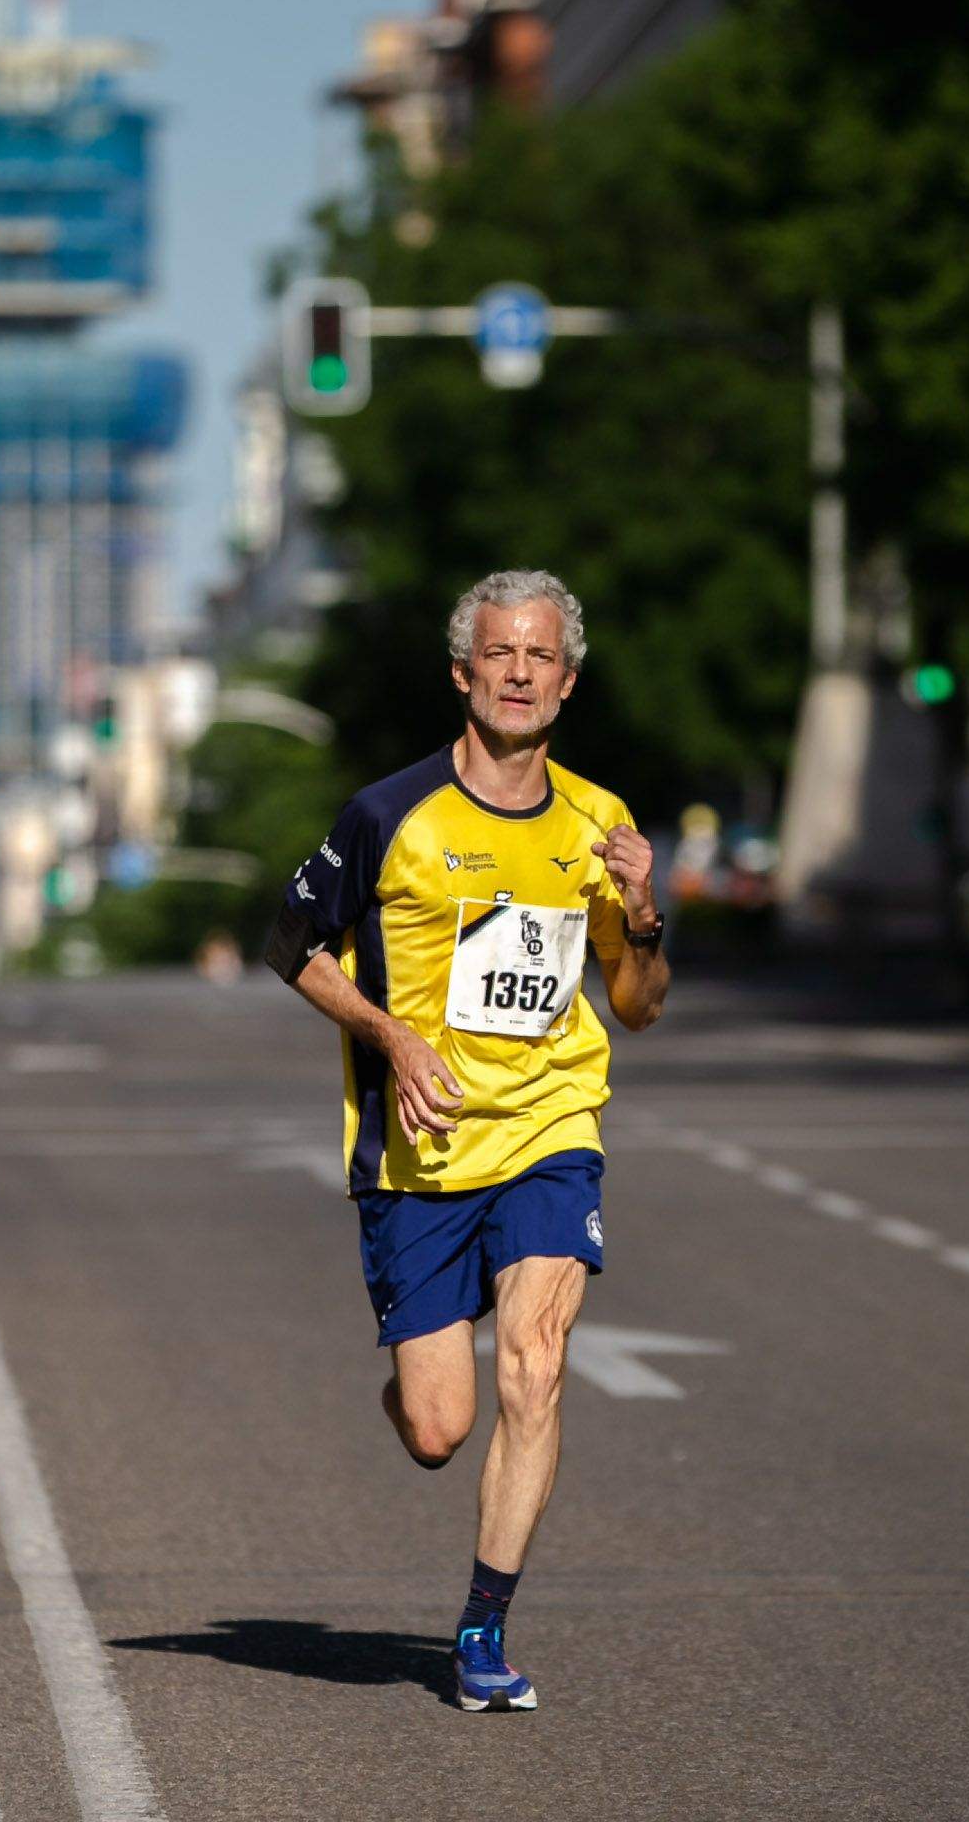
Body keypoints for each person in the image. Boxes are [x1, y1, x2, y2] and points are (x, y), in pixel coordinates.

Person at [264, 569, 670, 1712]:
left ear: (567, 681)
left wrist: (639, 914)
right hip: (420, 1151)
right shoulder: (388, 813)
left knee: (535, 1364)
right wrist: (390, 1036)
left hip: (549, 1123)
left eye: (541, 656)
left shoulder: (599, 821)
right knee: (440, 1425)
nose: (519, 671)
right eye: (500, 652)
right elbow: (290, 943)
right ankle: (415, 1378)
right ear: (463, 671)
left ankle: (483, 1625)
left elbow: (636, 1002)